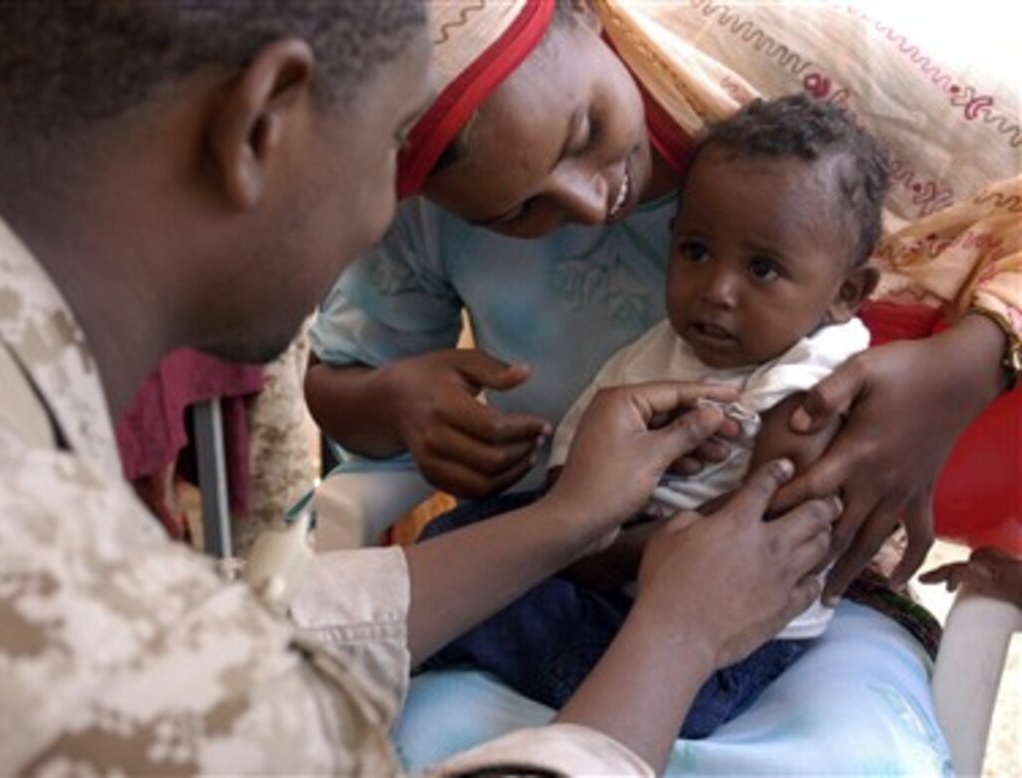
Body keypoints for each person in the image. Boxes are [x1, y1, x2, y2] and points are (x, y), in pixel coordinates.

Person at [0, 2, 836, 774]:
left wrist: (566, 523)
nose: (390, 208)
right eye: (396, 139)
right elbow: (182, 673)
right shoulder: (63, 614)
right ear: (262, 128)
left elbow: (217, 636)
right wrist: (675, 640)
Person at [305, 0, 1018, 770]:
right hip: (555, 542)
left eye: (584, 132)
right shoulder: (421, 208)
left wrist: (973, 360)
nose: (587, 203)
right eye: (515, 211)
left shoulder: (783, 62)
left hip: (797, 586)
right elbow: (332, 381)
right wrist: (393, 403)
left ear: (587, 14)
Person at [418, 93, 889, 738]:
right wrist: (574, 521)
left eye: (761, 268)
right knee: (457, 538)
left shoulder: (816, 372)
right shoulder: (665, 346)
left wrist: (603, 550)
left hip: (735, 621)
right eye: (696, 252)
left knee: (498, 610)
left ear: (844, 294)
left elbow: (767, 526)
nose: (717, 290)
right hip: (624, 558)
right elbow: (577, 471)